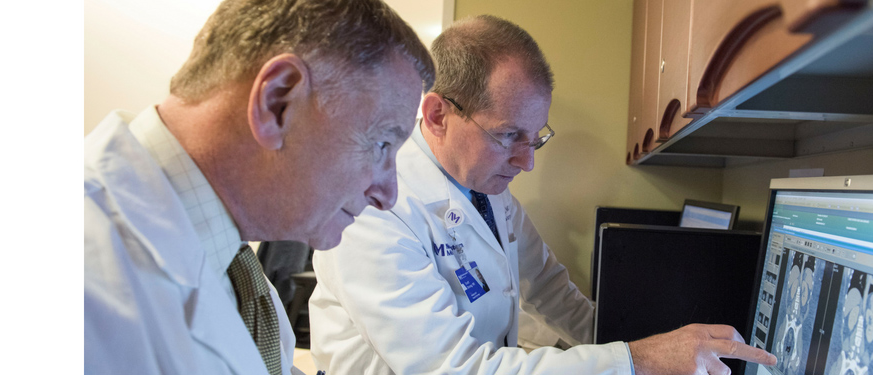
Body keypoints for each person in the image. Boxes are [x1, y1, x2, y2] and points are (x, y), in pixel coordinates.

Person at [307, 15, 778, 375]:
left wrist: (644, 343)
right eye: (508, 135)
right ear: (436, 115)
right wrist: (636, 360)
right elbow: (455, 367)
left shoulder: (485, 190)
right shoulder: (373, 208)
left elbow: (551, 290)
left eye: (534, 138)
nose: (526, 162)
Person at [84, 0, 435, 374]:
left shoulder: (235, 265)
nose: (388, 194)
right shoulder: (87, 279)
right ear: (278, 101)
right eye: (382, 143)